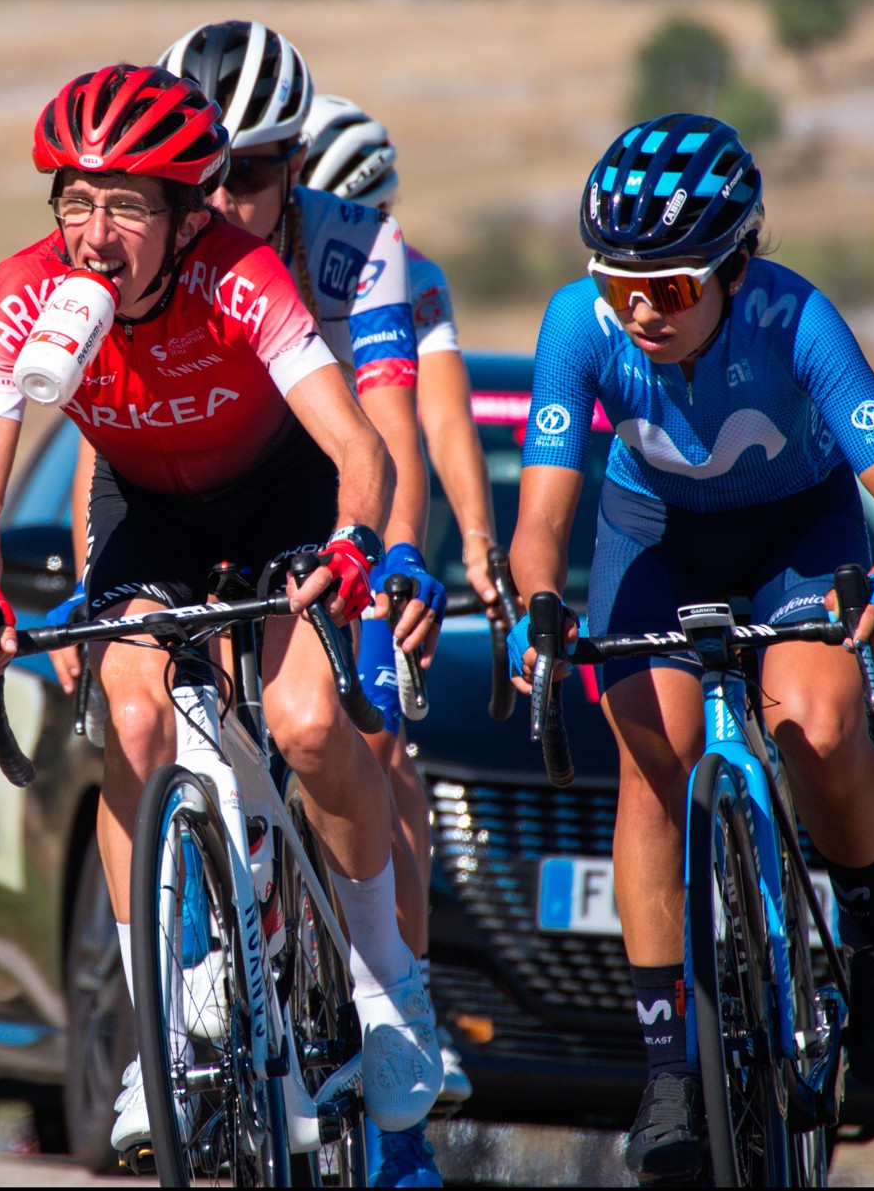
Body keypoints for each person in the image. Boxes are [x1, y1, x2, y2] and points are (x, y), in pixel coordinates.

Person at [0, 63, 443, 1164]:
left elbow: (358, 447)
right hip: (144, 509)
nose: (92, 234)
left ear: (183, 213)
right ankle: (154, 1036)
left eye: (124, 206)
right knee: (128, 719)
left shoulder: (240, 274)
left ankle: (386, 986)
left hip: (278, 492)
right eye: (73, 201)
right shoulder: (25, 294)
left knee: (311, 723)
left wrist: (358, 541)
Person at [507, 113, 874, 1184]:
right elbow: (543, 516)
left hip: (797, 533)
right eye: (621, 284)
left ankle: (869, 911)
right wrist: (533, 603)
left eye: (674, 287)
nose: (642, 310)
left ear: (736, 268)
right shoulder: (576, 326)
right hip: (650, 536)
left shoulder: (794, 317)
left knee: (817, 718)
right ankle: (664, 1066)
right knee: (649, 766)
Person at [157, 21, 449, 1187]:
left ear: (296, 170)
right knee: (162, 721)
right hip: (209, 508)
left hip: (335, 505)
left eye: (257, 172)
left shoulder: (352, 248)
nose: (227, 197)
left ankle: (391, 1019)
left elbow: (391, 431)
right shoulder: (159, 255)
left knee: (351, 727)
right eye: (205, 171)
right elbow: (107, 444)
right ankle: (195, 976)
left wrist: (401, 563)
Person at [300, 90, 504, 1122]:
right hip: (276, 514)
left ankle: (403, 998)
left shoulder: (402, 273)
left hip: (367, 516)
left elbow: (430, 429)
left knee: (380, 751)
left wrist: (449, 549)